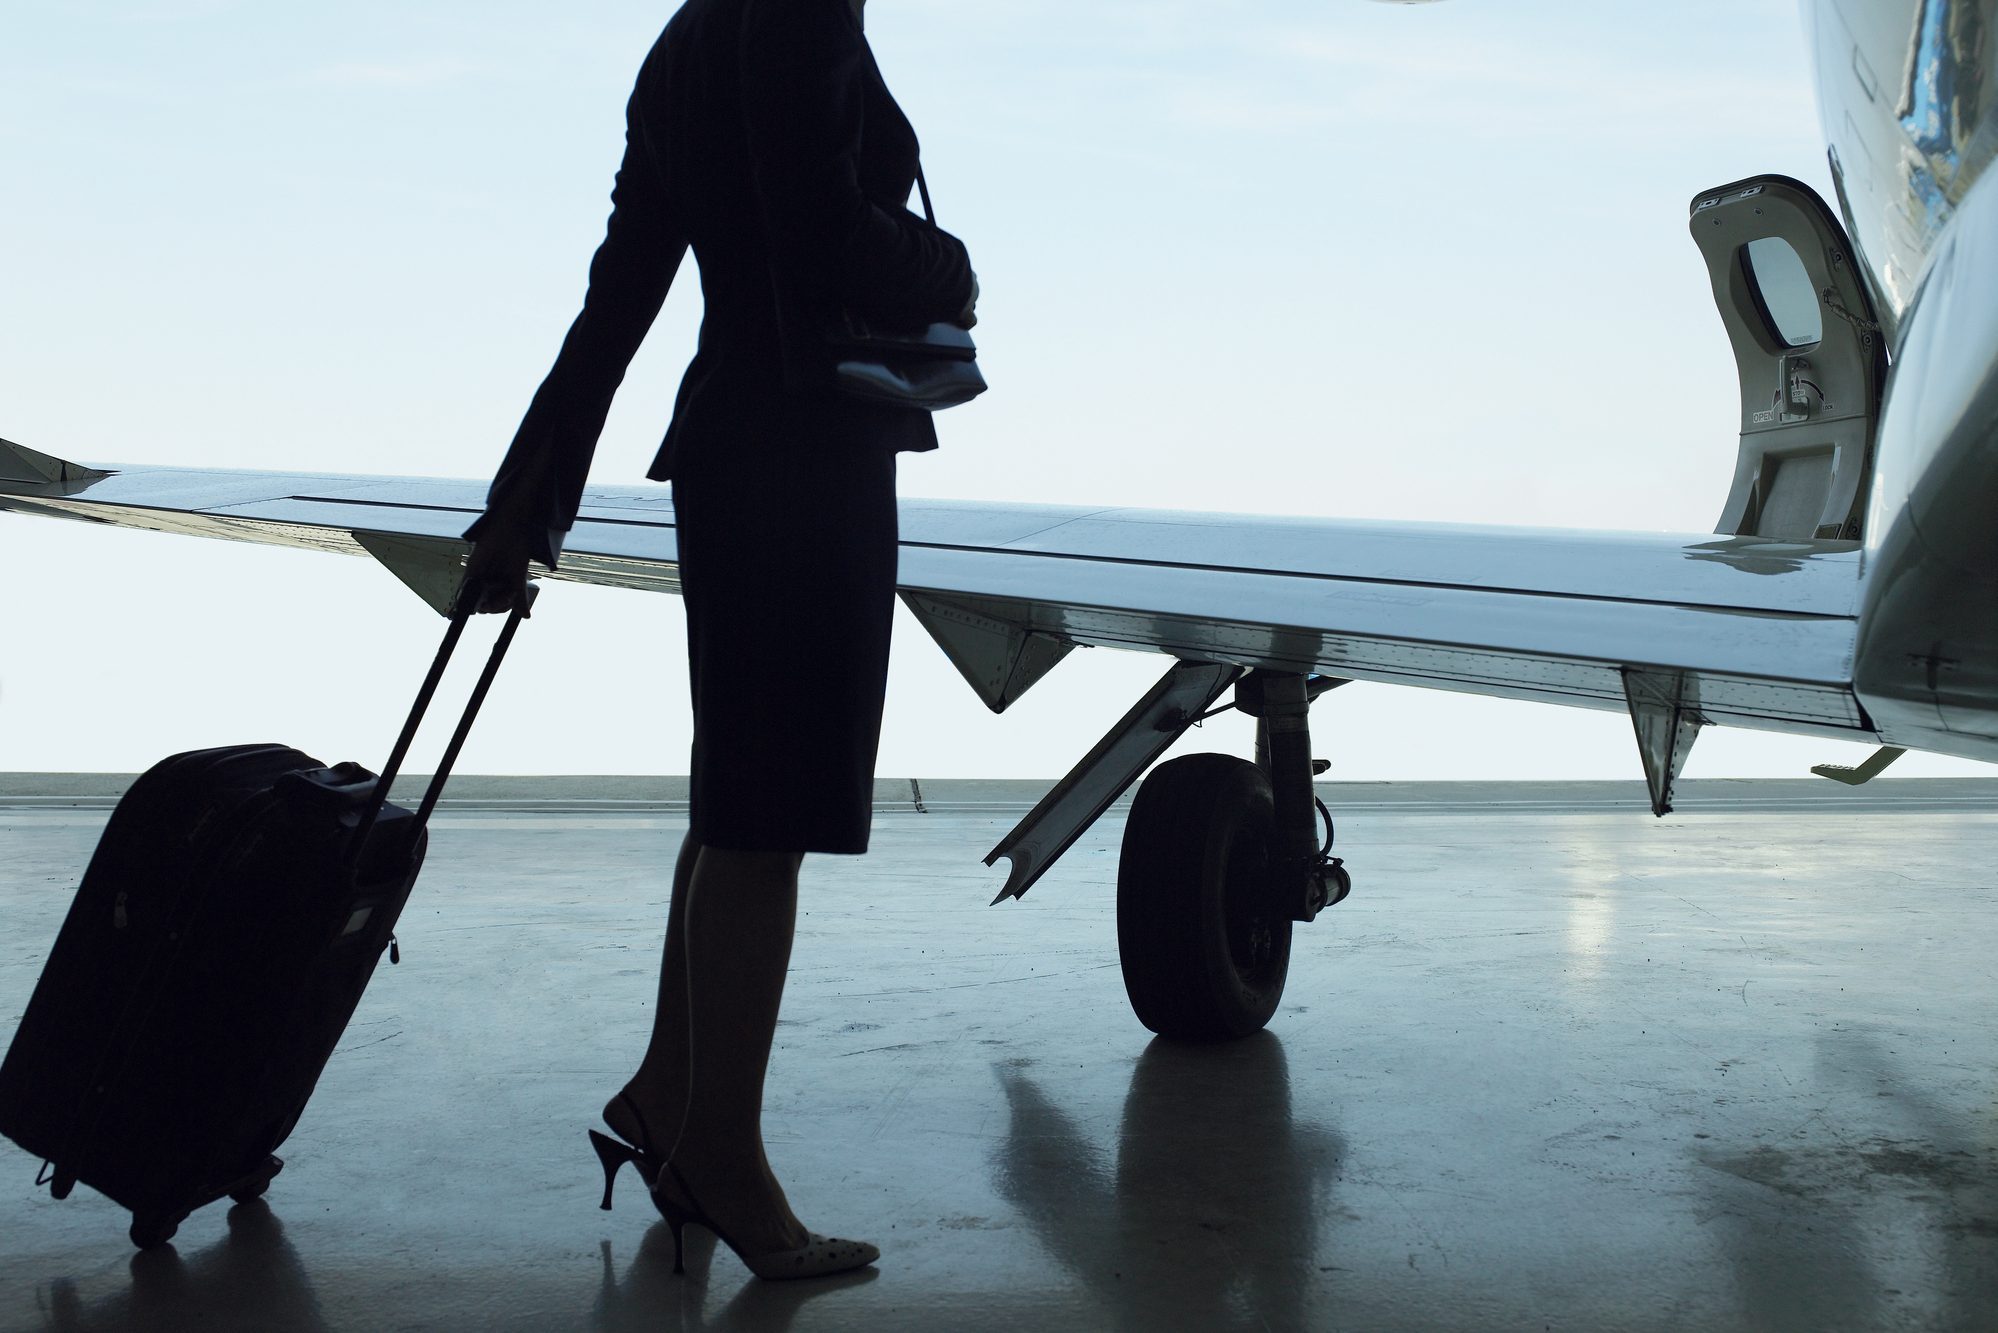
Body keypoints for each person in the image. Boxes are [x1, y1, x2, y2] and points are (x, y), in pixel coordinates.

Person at [458, 0, 977, 1282]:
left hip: (732, 443)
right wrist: (945, 265)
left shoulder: (690, 35)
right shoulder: (799, 14)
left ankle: (668, 1098)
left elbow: (622, 289)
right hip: (807, 448)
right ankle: (723, 1157)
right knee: (767, 819)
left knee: (735, 800)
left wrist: (526, 497)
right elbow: (820, 237)